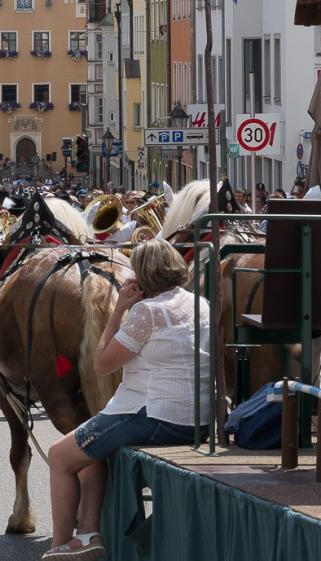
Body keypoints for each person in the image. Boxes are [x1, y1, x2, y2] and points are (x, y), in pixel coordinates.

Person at [42, 240, 210, 560]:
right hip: (197, 416)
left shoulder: (147, 311)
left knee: (59, 456)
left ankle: (60, 545)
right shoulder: (200, 303)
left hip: (155, 415)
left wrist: (120, 308)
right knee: (86, 452)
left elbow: (102, 364)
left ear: (143, 274)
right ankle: (88, 533)